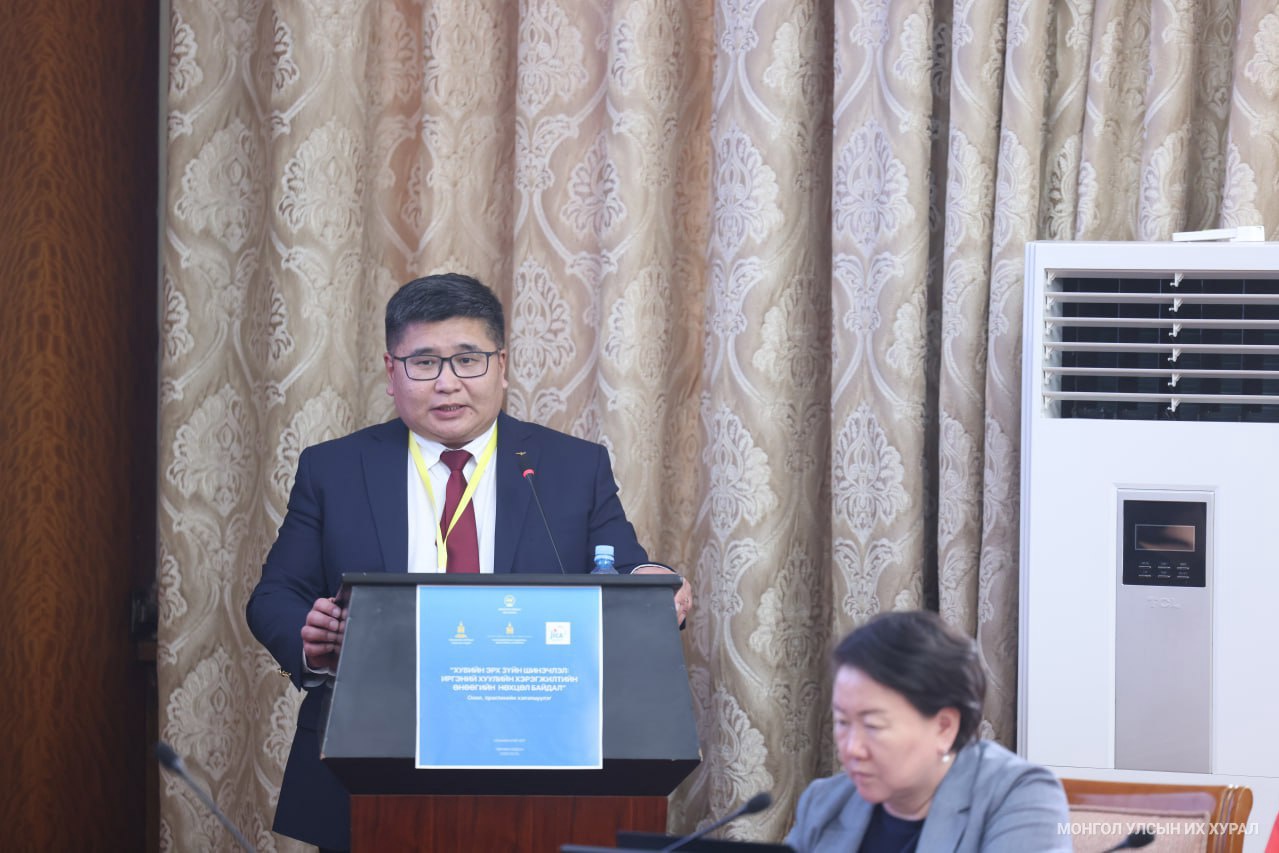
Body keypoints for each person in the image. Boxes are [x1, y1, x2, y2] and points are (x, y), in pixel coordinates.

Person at [246, 272, 692, 851]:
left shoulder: (572, 467)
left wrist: (652, 584)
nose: (448, 383)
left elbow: (624, 570)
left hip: (538, 754)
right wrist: (311, 641)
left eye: (468, 359)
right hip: (371, 753)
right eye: (424, 362)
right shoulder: (335, 469)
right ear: (391, 372)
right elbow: (274, 597)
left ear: (501, 366)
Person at [785, 611, 1070, 853]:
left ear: (944, 727)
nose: (851, 749)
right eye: (842, 722)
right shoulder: (824, 802)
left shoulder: (1020, 798)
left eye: (873, 726)